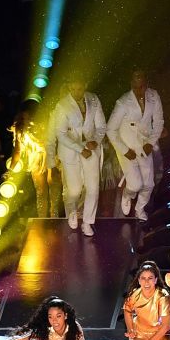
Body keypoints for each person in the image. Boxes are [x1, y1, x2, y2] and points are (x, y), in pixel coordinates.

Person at [107, 69, 164, 219]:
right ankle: (127, 195)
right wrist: (124, 150)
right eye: (136, 87)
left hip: (144, 145)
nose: (139, 90)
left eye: (142, 86)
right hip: (126, 145)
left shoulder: (154, 96)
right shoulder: (123, 102)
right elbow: (110, 130)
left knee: (149, 184)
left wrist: (151, 142)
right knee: (135, 185)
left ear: (147, 84)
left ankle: (140, 209)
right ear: (131, 84)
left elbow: (159, 122)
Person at [53, 78, 107, 235]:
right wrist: (80, 148)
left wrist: (95, 141)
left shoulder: (93, 99)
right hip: (71, 151)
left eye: (80, 89)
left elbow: (101, 126)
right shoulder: (62, 105)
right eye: (73, 89)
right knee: (75, 190)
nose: (77, 93)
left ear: (85, 85)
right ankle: (72, 211)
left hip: (91, 150)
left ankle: (88, 222)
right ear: (69, 87)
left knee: (93, 188)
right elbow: (61, 134)